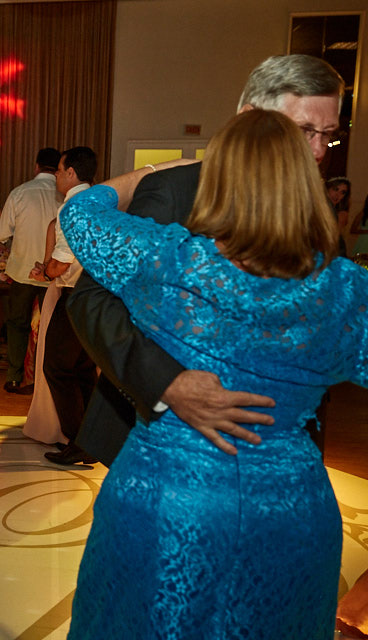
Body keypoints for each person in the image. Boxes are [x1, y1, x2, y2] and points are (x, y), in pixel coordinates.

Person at [61, 109, 364, 639]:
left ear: (217, 179)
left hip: (165, 498)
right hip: (289, 509)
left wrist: (144, 175)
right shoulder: (343, 291)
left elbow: (80, 210)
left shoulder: (169, 259)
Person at [67, 53, 345, 467]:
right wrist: (169, 385)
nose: (318, 151)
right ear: (249, 117)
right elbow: (93, 300)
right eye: (304, 130)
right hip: (164, 440)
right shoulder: (177, 190)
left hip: (279, 445)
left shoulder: (319, 205)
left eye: (328, 136)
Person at [38, 147, 98, 465]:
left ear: (72, 173)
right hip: (96, 294)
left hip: (75, 294)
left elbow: (62, 261)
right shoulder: (100, 200)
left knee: (57, 367)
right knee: (83, 368)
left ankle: (79, 440)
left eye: (59, 171)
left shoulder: (72, 206)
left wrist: (47, 271)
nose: (57, 177)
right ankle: (92, 438)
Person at [0, 147, 61, 393]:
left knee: (17, 324)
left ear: (36, 166)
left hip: (22, 271)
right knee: (52, 327)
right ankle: (47, 382)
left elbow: (1, 234)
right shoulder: (64, 195)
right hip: (54, 272)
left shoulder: (20, 192)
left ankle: (14, 376)